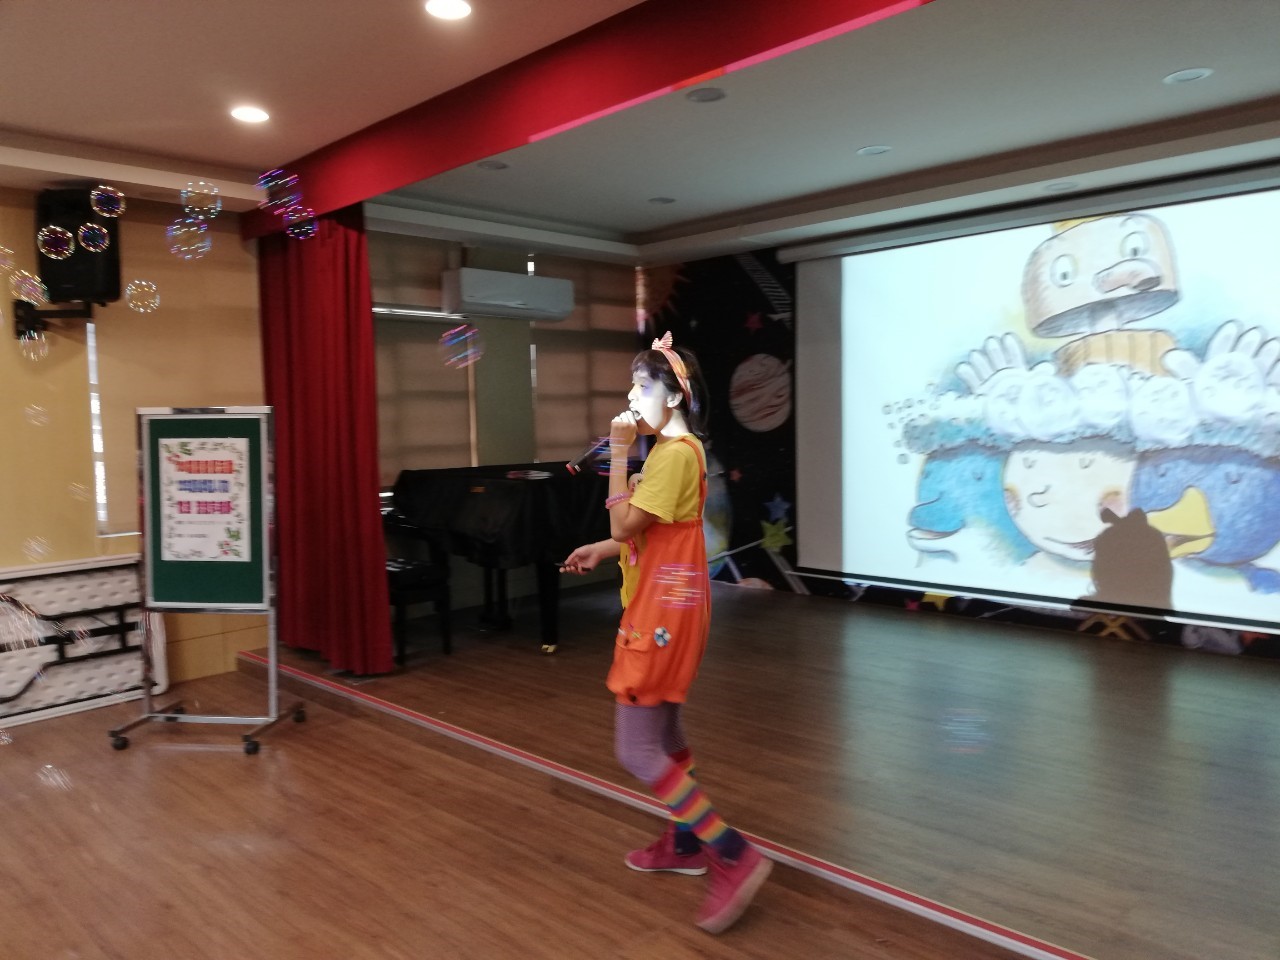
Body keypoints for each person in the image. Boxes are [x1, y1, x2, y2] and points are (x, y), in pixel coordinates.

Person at [561, 331, 771, 934]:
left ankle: (732, 853)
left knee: (635, 749)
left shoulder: (674, 453)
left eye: (641, 386)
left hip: (657, 616)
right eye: (631, 386)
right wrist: (603, 550)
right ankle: (683, 844)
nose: (631, 398)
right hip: (673, 609)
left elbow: (625, 523)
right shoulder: (679, 452)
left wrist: (618, 452)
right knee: (667, 735)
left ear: (674, 395)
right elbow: (653, 529)